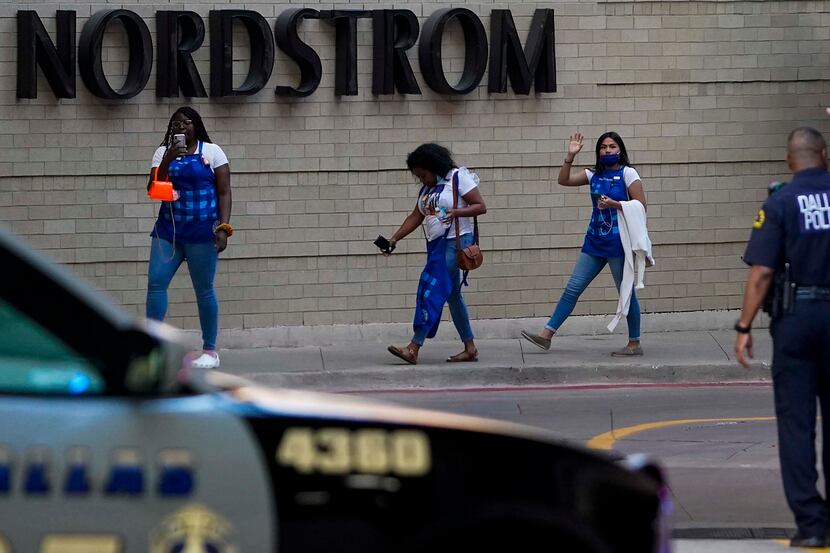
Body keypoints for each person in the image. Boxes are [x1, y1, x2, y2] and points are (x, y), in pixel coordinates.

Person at [735, 127, 830, 548]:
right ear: (822, 155)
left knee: (796, 424)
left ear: (790, 160)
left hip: (796, 319)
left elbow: (762, 272)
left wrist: (743, 327)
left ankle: (811, 525)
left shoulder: (781, 201)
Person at [521, 131, 647, 355]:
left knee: (626, 292)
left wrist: (615, 204)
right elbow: (564, 180)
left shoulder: (628, 173)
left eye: (612, 147)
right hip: (594, 242)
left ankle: (634, 342)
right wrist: (570, 156)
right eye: (603, 147)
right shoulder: (592, 175)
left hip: (618, 244)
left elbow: (640, 205)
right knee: (573, 288)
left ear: (620, 150)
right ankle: (546, 335)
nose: (607, 151)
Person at [383, 143, 486, 364]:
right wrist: (394, 239)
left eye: (423, 174)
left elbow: (480, 206)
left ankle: (414, 346)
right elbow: (415, 217)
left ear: (434, 166)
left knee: (432, 290)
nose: (422, 180)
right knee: (452, 296)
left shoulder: (458, 178)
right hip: (436, 246)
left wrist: (456, 211)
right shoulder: (427, 190)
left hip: (455, 243)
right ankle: (470, 347)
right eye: (418, 176)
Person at [146, 106, 232, 370]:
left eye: (187, 122)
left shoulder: (212, 151)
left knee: (204, 290)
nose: (181, 126)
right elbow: (154, 190)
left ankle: (210, 351)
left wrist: (224, 227)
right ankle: (153, 349)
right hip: (168, 232)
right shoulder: (162, 153)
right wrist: (169, 159)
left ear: (197, 125)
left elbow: (225, 192)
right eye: (176, 123)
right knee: (156, 284)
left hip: (202, 233)